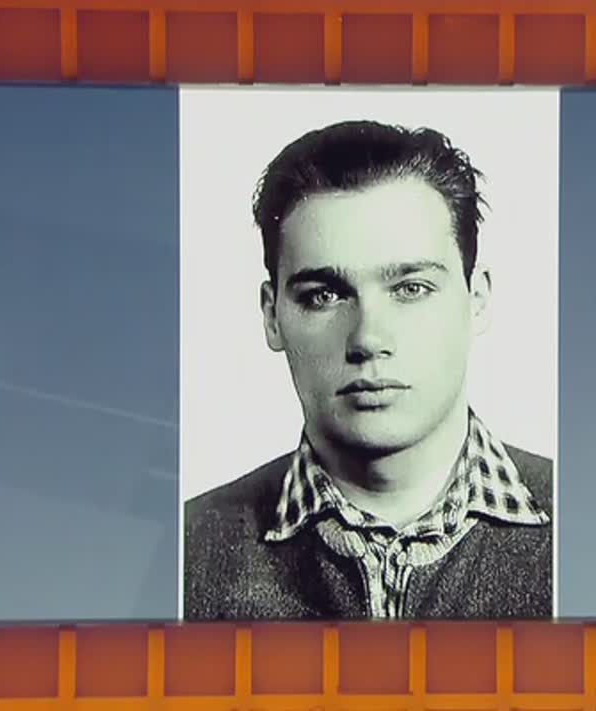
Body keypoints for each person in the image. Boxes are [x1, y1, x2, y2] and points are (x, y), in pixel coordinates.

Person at [183, 120, 553, 620]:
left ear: (478, 298)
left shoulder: (591, 530)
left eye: (411, 289)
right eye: (323, 296)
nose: (368, 339)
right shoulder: (185, 555)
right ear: (272, 316)